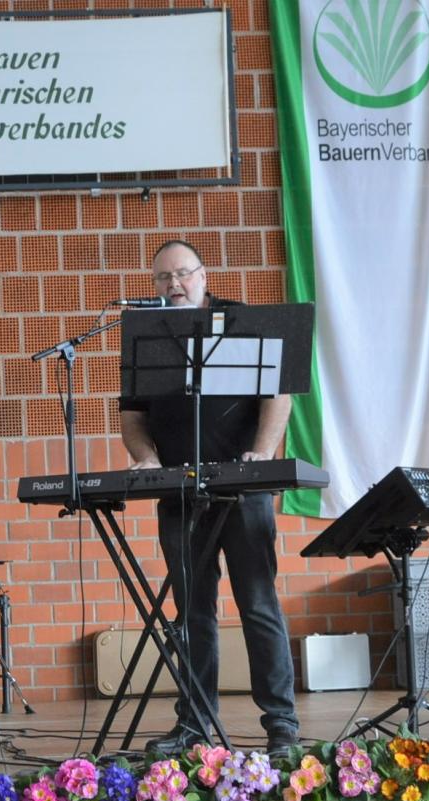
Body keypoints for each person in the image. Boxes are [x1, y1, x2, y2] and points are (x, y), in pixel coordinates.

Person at [119, 240, 300, 757]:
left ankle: (281, 725)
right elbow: (132, 416)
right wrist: (146, 458)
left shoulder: (242, 321)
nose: (172, 285)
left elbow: (277, 394)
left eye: (181, 274)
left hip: (242, 490)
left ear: (203, 275)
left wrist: (261, 454)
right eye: (161, 278)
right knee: (192, 613)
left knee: (258, 604)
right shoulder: (148, 336)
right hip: (178, 491)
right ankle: (196, 724)